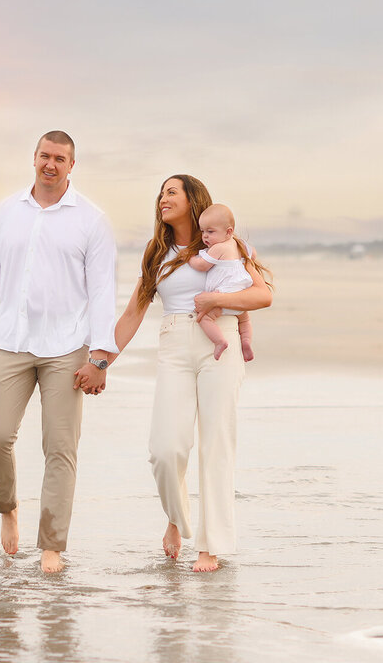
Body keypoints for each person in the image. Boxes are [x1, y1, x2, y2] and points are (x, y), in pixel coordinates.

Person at [0, 130, 118, 574]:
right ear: (33, 158)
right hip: (10, 341)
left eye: (61, 159)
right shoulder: (5, 213)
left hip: (67, 347)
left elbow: (103, 291)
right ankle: (7, 508)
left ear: (72, 166)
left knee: (60, 447)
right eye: (45, 156)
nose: (51, 164)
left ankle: (52, 545)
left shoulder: (91, 220)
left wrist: (101, 357)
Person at [107, 175, 272, 572]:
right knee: (166, 449)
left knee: (216, 445)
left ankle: (210, 546)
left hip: (220, 342)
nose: (162, 198)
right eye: (161, 193)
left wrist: (216, 298)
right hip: (174, 344)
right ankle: (177, 522)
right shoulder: (157, 251)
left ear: (192, 199)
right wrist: (100, 362)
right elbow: (133, 313)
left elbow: (262, 294)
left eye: (171, 192)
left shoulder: (221, 245)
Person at [188, 203, 256, 361]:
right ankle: (246, 341)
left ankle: (219, 342)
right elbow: (253, 255)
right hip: (240, 296)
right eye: (203, 231)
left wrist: (190, 259)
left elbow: (202, 266)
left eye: (210, 232)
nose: (205, 236)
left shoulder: (218, 248)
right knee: (245, 320)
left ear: (229, 232)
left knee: (205, 318)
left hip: (223, 296)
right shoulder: (238, 245)